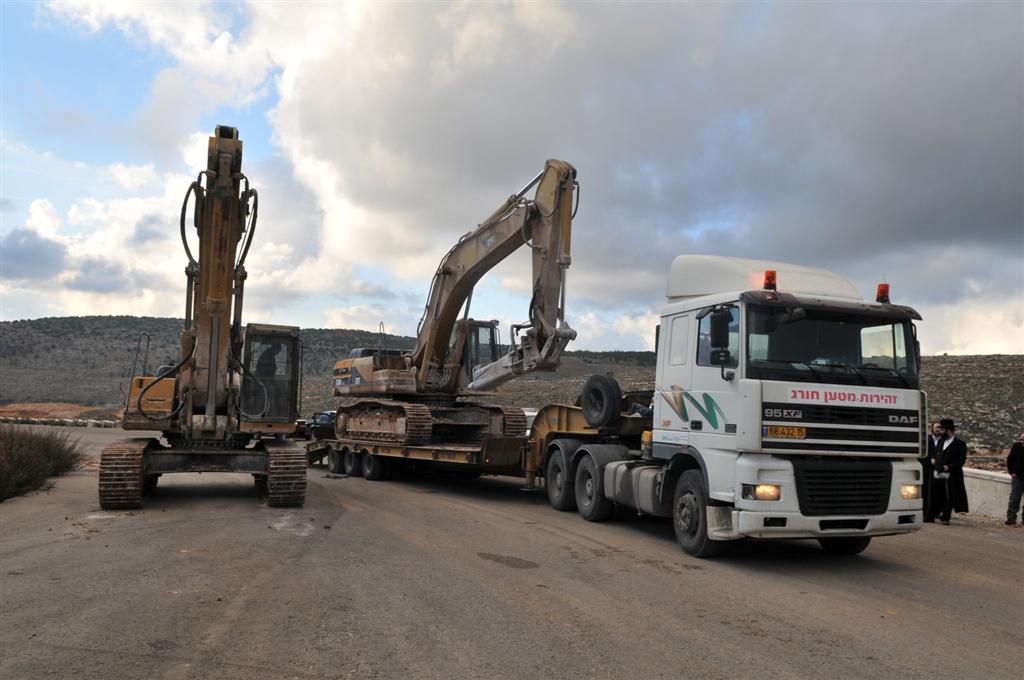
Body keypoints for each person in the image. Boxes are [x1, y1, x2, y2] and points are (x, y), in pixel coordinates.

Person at [930, 418, 969, 525]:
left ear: (948, 430)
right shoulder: (940, 442)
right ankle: (933, 514)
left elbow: (961, 461)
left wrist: (948, 467)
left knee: (949, 497)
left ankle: (945, 517)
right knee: (936, 495)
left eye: (942, 429)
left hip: (952, 475)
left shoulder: (960, 444)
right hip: (938, 473)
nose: (940, 432)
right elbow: (936, 454)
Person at [923, 421, 942, 522]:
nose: (938, 429)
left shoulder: (944, 441)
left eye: (939, 427)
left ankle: (935, 513)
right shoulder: (926, 439)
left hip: (938, 471)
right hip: (926, 470)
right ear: (932, 429)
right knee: (925, 492)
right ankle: (925, 513)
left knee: (937, 493)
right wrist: (930, 458)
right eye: (936, 427)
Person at [1006, 432, 1024, 526]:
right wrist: (1011, 472)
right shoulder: (1017, 446)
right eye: (1021, 439)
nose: (1022, 442)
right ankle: (1011, 518)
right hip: (1017, 477)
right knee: (1014, 498)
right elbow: (1010, 459)